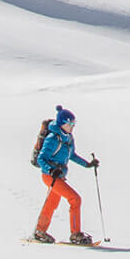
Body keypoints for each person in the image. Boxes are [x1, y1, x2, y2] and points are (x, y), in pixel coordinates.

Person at [31, 105, 99, 246]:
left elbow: (72, 155)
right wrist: (50, 170)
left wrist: (88, 164)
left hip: (58, 176)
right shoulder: (52, 138)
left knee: (52, 202)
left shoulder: (68, 138)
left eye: (74, 124)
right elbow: (41, 159)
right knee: (75, 199)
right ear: (62, 123)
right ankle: (75, 234)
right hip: (50, 176)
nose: (72, 126)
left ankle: (40, 231)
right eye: (70, 124)